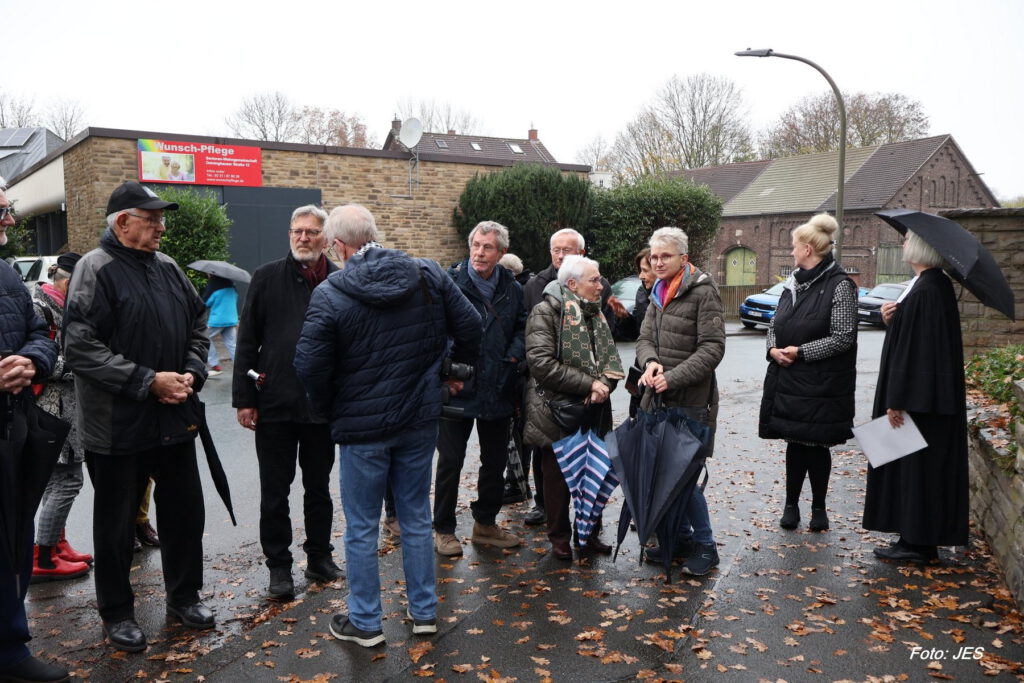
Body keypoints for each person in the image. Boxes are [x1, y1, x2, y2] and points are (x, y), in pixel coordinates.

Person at [295, 204, 481, 648]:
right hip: (418, 420)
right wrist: (453, 372)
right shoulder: (428, 274)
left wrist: (328, 410)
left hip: (361, 428)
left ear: (339, 246)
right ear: (373, 234)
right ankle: (424, 614)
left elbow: (309, 366)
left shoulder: (331, 291)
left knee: (361, 525)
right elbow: (472, 326)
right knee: (415, 517)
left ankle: (366, 622)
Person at [64, 181, 213, 653]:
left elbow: (198, 325)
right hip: (117, 424)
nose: (162, 227)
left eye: (161, 219)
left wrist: (189, 373)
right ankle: (117, 613)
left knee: (185, 513)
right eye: (152, 220)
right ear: (123, 222)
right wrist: (148, 381)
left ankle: (185, 597)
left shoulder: (169, 269)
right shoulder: (95, 268)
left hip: (173, 416)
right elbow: (80, 348)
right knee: (115, 524)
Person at [232, 205, 341, 600]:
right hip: (275, 402)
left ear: (325, 238)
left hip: (320, 406)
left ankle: (319, 558)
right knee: (274, 492)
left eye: (311, 232)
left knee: (319, 488)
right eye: (297, 231)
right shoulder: (266, 278)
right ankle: (279, 568)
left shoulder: (338, 280)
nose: (303, 238)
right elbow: (247, 343)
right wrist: (245, 399)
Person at [862, 230, 968, 563]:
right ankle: (912, 537)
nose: (904, 243)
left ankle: (919, 544)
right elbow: (911, 335)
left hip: (920, 401)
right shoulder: (926, 285)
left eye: (908, 239)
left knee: (919, 470)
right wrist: (890, 316)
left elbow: (920, 353)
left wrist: (899, 399)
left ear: (922, 246)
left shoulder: (928, 289)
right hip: (921, 398)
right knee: (911, 469)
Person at [0, 184, 68, 683]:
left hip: (14, 426)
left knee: (13, 537)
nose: (9, 223)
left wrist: (31, 360)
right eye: (2, 211)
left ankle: (10, 649)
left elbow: (37, 332)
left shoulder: (5, 274)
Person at [759, 213, 857, 532]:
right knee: (794, 443)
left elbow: (844, 336)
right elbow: (775, 324)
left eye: (794, 247)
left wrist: (801, 352)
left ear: (807, 249)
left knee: (816, 444)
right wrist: (773, 349)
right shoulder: (791, 285)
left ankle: (818, 507)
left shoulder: (840, 285)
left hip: (821, 383)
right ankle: (790, 505)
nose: (791, 252)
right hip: (789, 381)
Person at [433, 221, 525, 557]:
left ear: (501, 253)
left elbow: (522, 325)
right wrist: (447, 370)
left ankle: (485, 523)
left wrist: (512, 358)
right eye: (476, 245)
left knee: (495, 461)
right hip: (458, 387)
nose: (479, 252)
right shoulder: (449, 283)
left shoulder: (511, 288)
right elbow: (435, 330)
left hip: (497, 386)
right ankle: (443, 529)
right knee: (451, 461)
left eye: (487, 247)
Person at [636, 227, 725, 576]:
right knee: (665, 476)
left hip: (690, 402)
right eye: (654, 256)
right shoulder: (658, 290)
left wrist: (671, 377)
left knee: (686, 479)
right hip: (656, 401)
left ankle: (706, 546)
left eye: (665, 256)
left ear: (683, 258)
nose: (658, 262)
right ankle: (683, 540)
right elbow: (644, 338)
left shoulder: (703, 292)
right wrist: (650, 362)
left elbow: (713, 348)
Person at [523, 255, 623, 560]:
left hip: (596, 408)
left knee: (592, 472)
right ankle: (559, 537)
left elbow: (611, 361)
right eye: (594, 280)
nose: (601, 285)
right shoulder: (546, 311)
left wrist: (604, 384)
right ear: (571, 284)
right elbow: (541, 363)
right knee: (558, 479)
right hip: (556, 409)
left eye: (600, 278)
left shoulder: (597, 313)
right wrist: (588, 385)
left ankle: (588, 534)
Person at [31, 253, 92, 583]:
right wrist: (84, 365)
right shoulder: (42, 310)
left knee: (59, 481)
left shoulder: (58, 306)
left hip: (65, 406)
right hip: (54, 409)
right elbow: (34, 359)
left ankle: (56, 545)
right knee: (67, 481)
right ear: (68, 284)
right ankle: (45, 557)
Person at [203, 276, 238, 376]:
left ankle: (215, 365)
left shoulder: (214, 287)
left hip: (218, 320)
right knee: (232, 345)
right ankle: (240, 367)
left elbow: (206, 303)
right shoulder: (232, 288)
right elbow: (235, 299)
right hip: (232, 319)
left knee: (205, 337)